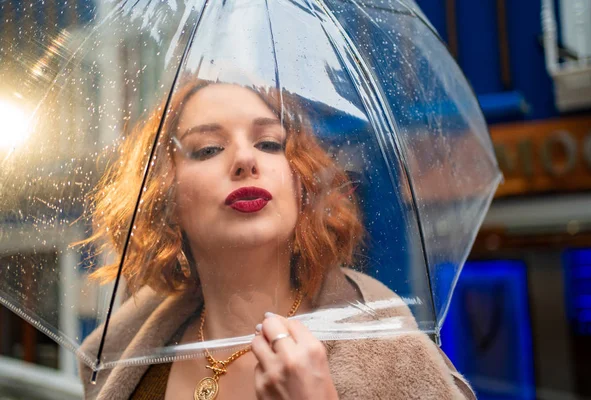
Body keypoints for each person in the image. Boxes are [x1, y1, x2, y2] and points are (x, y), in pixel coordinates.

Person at [78, 78, 476, 400]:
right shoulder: (123, 360)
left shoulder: (390, 355)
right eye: (209, 148)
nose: (245, 159)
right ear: (167, 195)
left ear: (300, 182)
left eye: (269, 143)